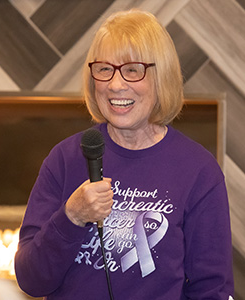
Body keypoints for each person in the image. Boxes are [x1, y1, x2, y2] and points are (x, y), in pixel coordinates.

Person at [15, 9, 234, 300]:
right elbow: (31, 280)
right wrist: (72, 216)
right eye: (105, 69)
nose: (116, 84)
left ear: (161, 77)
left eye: (133, 69)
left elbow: (212, 289)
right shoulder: (66, 159)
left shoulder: (198, 170)